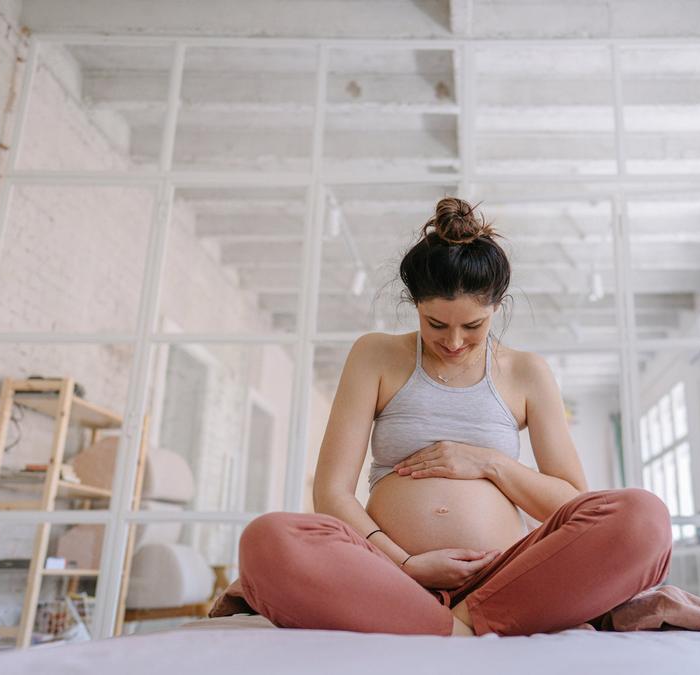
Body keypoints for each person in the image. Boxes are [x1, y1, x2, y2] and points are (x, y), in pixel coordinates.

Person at [227, 197, 673, 637]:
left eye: (473, 327)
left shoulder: (527, 372)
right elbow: (332, 493)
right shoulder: (375, 355)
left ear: (497, 306)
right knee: (266, 540)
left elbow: (571, 502)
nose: (455, 341)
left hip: (505, 575)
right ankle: (458, 624)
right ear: (415, 304)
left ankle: (455, 620)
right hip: (389, 572)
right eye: (435, 324)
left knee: (643, 518)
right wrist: (406, 564)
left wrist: (488, 463)